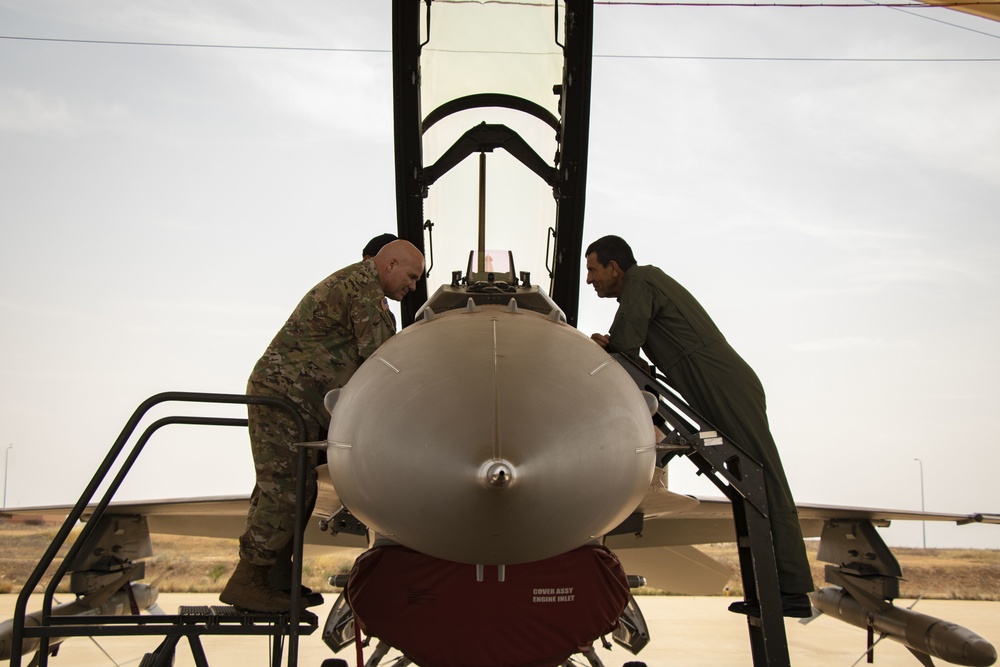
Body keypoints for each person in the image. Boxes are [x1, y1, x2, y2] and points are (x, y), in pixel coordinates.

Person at [584, 234, 814, 618]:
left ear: (614, 267)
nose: (590, 280)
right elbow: (632, 353)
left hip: (726, 388)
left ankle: (793, 590)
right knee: (748, 489)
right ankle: (768, 592)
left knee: (766, 482)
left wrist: (610, 346)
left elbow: (626, 345)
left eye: (593, 270)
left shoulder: (642, 281)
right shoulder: (642, 287)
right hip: (716, 389)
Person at [220, 240, 425, 613]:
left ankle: (275, 579)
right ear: (390, 263)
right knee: (286, 489)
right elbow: (382, 359)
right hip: (285, 398)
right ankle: (248, 581)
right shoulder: (363, 290)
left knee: (297, 487)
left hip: (296, 401)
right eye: (411, 276)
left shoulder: (357, 284)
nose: (412, 286)